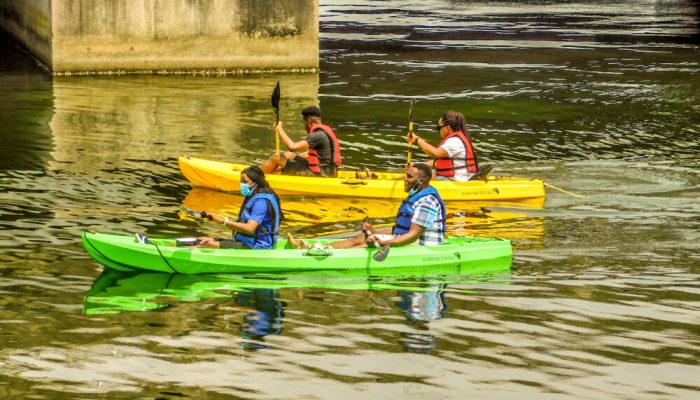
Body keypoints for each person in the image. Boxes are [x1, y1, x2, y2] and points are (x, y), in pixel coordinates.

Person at [287, 163, 445, 249]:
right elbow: (401, 228)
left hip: (422, 247)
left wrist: (383, 242)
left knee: (366, 244)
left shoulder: (427, 202)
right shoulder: (415, 195)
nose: (404, 179)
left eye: (409, 177)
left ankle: (320, 255)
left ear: (421, 181)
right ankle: (312, 247)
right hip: (408, 240)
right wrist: (375, 231)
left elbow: (412, 235)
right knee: (361, 236)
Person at [196, 166, 282, 249]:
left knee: (207, 244)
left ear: (257, 182)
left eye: (245, 181)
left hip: (257, 247)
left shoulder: (261, 201)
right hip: (247, 243)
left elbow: (249, 228)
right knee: (203, 239)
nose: (242, 184)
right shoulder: (254, 195)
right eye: (241, 181)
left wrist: (223, 220)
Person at [259, 105, 341, 177]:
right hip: (329, 172)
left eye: (304, 122)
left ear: (308, 121)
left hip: (320, 175)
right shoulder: (325, 132)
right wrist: (291, 159)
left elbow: (292, 147)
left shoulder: (317, 135)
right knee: (288, 155)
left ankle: (254, 177)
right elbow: (313, 155)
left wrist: (279, 129)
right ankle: (272, 174)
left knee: (277, 157)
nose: (304, 125)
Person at [406, 111, 478, 181]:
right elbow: (436, 162)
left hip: (457, 181)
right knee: (417, 174)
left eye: (439, 127)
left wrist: (417, 139)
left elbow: (435, 153)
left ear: (448, 128)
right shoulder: (454, 140)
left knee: (415, 179)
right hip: (452, 178)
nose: (439, 130)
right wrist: (415, 165)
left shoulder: (455, 141)